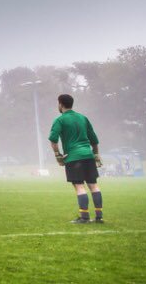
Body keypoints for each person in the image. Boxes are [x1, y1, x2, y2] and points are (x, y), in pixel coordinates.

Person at [49, 94, 104, 224]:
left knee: (79, 187)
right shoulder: (83, 118)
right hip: (88, 156)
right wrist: (96, 155)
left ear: (61, 104)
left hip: (73, 158)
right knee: (93, 185)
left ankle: (84, 217)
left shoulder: (60, 120)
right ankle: (99, 217)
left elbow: (53, 140)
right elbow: (94, 140)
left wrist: (58, 155)